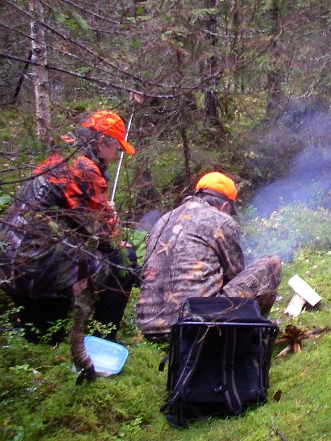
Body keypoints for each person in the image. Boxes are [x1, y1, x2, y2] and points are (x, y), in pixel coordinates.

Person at [0, 110, 139, 381]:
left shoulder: (56, 156)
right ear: (102, 144)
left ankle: (36, 338)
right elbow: (107, 237)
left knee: (41, 337)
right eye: (116, 150)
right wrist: (116, 236)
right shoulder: (84, 168)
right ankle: (103, 338)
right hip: (39, 268)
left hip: (10, 266)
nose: (115, 157)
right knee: (124, 260)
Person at [135, 172, 281, 341]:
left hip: (149, 324)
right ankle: (253, 338)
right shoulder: (221, 220)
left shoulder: (163, 221)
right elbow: (235, 274)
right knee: (271, 264)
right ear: (225, 206)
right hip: (194, 323)